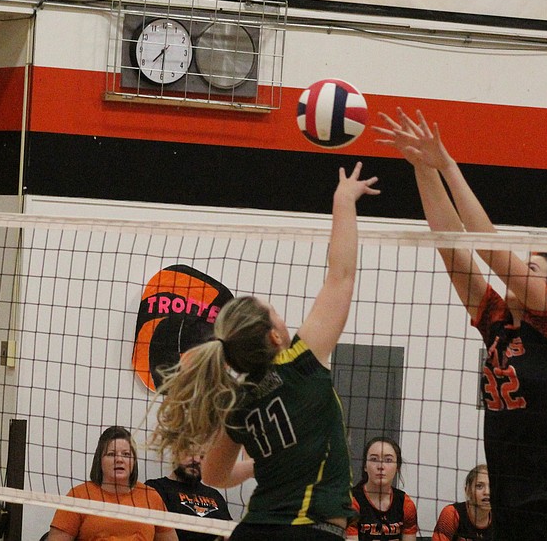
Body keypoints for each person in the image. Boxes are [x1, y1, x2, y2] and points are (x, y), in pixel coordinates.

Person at [375, 109, 547, 541]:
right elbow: (451, 245)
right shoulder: (498, 325)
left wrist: (447, 163)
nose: (521, 269)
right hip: (509, 502)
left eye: (532, 267)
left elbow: (487, 246)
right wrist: (422, 169)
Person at [152, 164, 380, 540]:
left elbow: (213, 475)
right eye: (274, 311)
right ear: (275, 337)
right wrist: (343, 200)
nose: (281, 314)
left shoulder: (239, 402)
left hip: (254, 530)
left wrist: (263, 464)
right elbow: (341, 274)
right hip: (311, 531)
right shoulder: (302, 364)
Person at [48, 426, 179, 541]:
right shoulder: (79, 495)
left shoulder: (150, 496)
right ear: (100, 460)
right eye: (111, 454)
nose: (119, 459)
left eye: (126, 454)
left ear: (134, 461)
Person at [145, 450, 233, 541]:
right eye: (190, 452)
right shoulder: (155, 488)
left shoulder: (214, 494)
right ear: (175, 452)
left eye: (202, 457)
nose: (197, 460)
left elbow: (229, 533)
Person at [347, 437, 419, 541]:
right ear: (365, 466)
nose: (380, 466)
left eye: (388, 460)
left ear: (397, 467)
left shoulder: (405, 504)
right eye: (374, 459)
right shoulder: (351, 501)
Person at [430, 464, 491, 541]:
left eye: (491, 486)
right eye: (479, 486)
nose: (487, 492)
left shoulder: (503, 518)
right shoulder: (452, 514)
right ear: (467, 490)